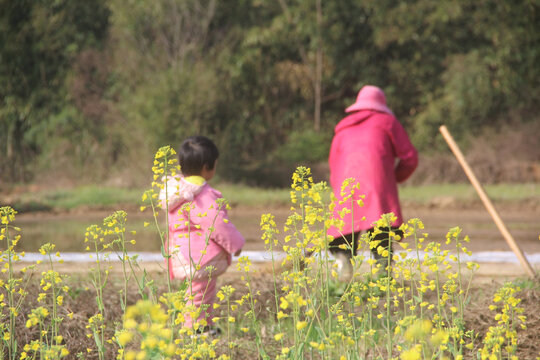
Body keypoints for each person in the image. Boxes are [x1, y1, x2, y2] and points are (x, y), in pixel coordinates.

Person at [327, 85, 418, 280]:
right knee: (381, 233)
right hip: (376, 185)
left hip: (345, 186)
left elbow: (334, 165)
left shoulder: (342, 128)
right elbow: (410, 158)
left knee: (344, 232)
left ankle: (343, 267)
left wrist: (338, 188)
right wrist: (394, 177)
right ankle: (382, 278)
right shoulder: (387, 122)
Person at [159, 135, 245, 335]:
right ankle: (195, 331)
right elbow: (216, 224)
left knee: (201, 292)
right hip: (200, 256)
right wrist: (236, 244)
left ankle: (204, 326)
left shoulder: (177, 191)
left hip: (181, 252)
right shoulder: (201, 195)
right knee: (199, 295)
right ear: (207, 167)